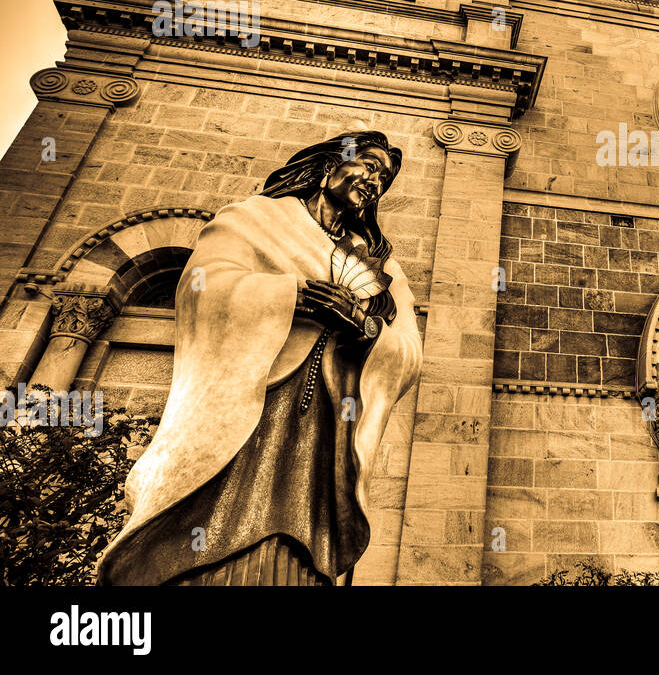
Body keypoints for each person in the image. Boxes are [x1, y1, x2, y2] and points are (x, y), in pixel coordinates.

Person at [98, 130, 421, 585]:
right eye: (367, 164)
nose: (375, 181)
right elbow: (203, 284)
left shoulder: (381, 266)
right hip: (251, 403)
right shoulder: (255, 218)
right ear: (329, 165)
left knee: (298, 544)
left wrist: (363, 326)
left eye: (384, 178)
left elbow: (407, 349)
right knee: (219, 520)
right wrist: (293, 295)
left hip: (328, 421)